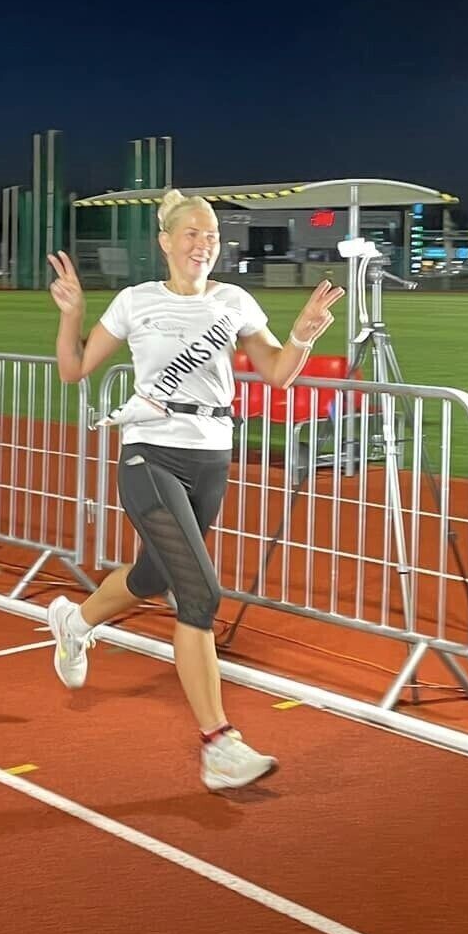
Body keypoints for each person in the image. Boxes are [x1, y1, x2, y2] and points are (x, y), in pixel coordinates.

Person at [45, 190, 343, 792]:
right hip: (148, 453)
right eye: (192, 233)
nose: (204, 244)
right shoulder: (136, 301)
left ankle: (75, 623)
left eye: (211, 235)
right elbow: (74, 369)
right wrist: (72, 314)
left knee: (152, 576)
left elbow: (278, 373)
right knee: (199, 592)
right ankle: (218, 744)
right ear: (165, 241)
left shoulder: (234, 301)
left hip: (211, 455)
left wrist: (303, 335)